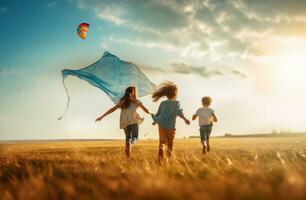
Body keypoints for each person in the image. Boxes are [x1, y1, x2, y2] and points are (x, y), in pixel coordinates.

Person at [95, 86, 151, 157]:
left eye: (131, 93)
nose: (130, 94)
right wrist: (102, 116)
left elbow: (146, 110)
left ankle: (128, 155)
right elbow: (113, 109)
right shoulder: (124, 102)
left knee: (129, 140)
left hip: (127, 122)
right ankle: (128, 153)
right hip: (131, 122)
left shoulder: (132, 102)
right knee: (133, 139)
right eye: (130, 93)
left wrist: (151, 114)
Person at [151, 81, 190, 162]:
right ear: (175, 93)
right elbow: (179, 112)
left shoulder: (163, 103)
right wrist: (185, 119)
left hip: (161, 124)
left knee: (162, 142)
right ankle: (168, 159)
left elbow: (158, 113)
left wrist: (155, 121)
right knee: (170, 142)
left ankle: (161, 149)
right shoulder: (177, 103)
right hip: (171, 126)